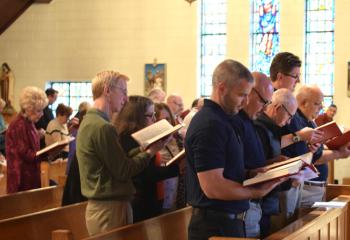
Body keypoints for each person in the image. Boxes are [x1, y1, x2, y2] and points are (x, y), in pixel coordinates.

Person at [185, 59, 285, 239]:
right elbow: (213, 187)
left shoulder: (228, 120)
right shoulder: (210, 124)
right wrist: (255, 192)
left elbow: (230, 170)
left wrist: (253, 174)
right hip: (214, 226)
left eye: (248, 95)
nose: (246, 101)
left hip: (230, 221)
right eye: (241, 95)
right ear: (221, 88)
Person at [76, 71, 166, 236]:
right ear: (107, 90)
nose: (125, 98)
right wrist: (151, 151)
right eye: (123, 91)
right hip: (109, 209)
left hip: (107, 207)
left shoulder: (91, 121)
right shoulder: (102, 127)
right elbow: (124, 170)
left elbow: (117, 161)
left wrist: (142, 148)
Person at [115, 96, 180, 222]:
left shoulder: (140, 136)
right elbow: (145, 174)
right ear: (136, 117)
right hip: (139, 201)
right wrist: (176, 169)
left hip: (151, 198)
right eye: (151, 115)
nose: (155, 119)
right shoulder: (127, 139)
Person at [230, 72, 274, 238]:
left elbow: (251, 161)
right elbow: (234, 169)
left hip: (253, 204)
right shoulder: (236, 122)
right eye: (264, 101)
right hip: (242, 205)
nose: (265, 108)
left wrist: (273, 163)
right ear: (251, 92)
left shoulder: (249, 121)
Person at [6, 86, 48, 193]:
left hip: (30, 175)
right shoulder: (18, 125)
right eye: (39, 110)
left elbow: (29, 144)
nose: (42, 114)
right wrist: (46, 153)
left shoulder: (28, 122)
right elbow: (26, 153)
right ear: (29, 109)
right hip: (21, 179)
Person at [154, 102, 184, 212]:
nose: (165, 123)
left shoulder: (178, 139)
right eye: (161, 120)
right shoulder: (152, 142)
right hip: (159, 193)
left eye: (168, 119)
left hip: (178, 191)